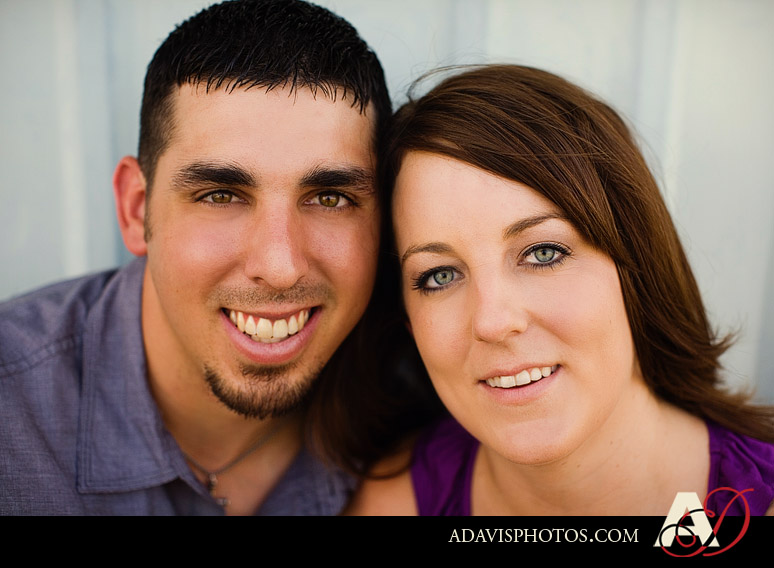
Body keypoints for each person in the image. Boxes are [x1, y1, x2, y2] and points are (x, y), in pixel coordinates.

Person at [0, 0, 394, 515]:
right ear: (136, 209)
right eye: (220, 195)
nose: (279, 267)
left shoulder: (425, 407)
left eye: (330, 198)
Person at [346, 64, 774, 516]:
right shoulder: (396, 504)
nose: (492, 321)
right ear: (408, 321)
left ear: (636, 265)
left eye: (543, 253)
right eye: (440, 276)